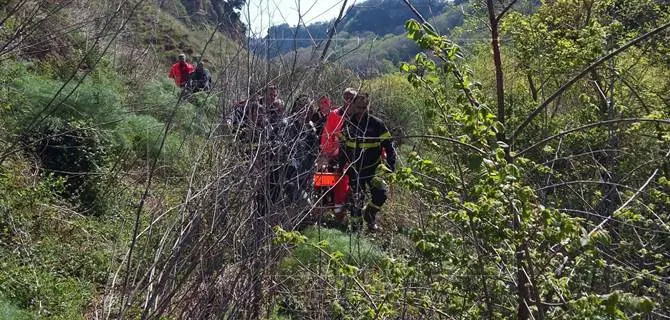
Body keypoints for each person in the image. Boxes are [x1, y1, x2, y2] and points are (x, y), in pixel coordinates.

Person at [338, 93, 396, 232]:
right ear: (353, 106)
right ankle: (356, 230)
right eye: (358, 107)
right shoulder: (348, 124)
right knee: (356, 201)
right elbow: (342, 148)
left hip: (374, 168)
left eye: (364, 107)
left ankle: (370, 215)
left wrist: (391, 166)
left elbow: (389, 146)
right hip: (355, 170)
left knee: (381, 194)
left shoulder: (377, 124)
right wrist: (341, 166)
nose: (361, 110)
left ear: (368, 106)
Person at [319, 88, 357, 220]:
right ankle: (336, 214)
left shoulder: (360, 115)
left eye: (352, 97)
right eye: (347, 97)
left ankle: (352, 215)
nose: (349, 100)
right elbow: (327, 135)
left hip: (356, 156)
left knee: (354, 186)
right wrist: (328, 152)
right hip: (336, 156)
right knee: (336, 184)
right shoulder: (335, 114)